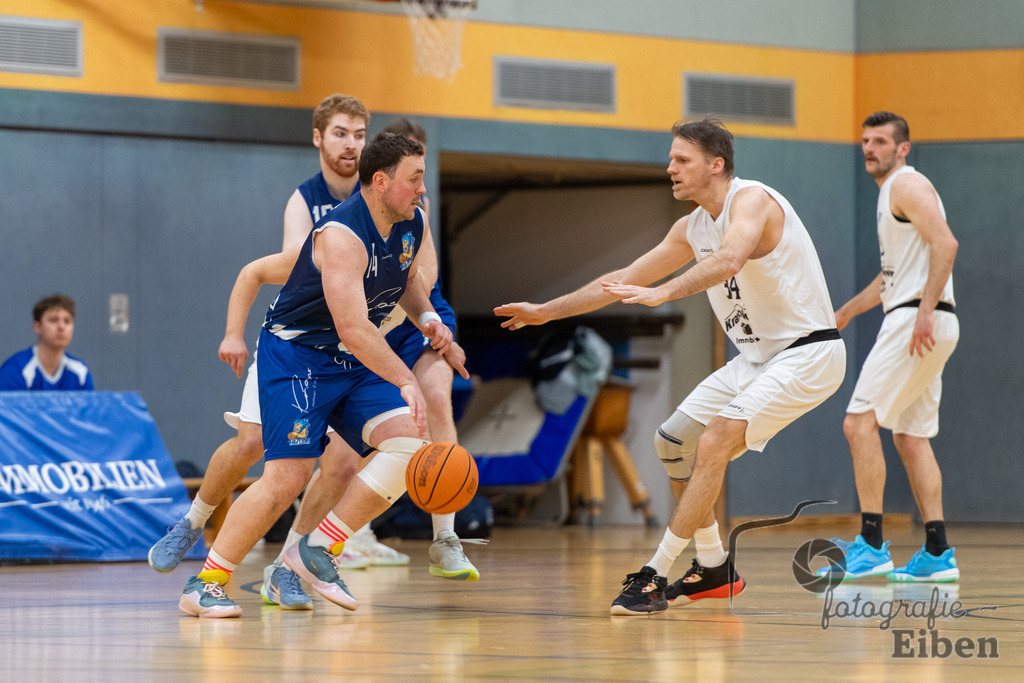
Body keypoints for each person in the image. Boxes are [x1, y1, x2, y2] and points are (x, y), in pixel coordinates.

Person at [495, 118, 846, 616]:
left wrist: (664, 292)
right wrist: (546, 310)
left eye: (682, 159)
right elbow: (621, 279)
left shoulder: (753, 202)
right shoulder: (690, 227)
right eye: (671, 159)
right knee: (674, 441)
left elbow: (727, 261)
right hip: (757, 359)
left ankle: (654, 575)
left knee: (715, 439)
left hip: (809, 353)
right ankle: (713, 566)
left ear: (715, 164)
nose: (670, 168)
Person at [178, 131, 467, 618]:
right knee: (286, 477)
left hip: (348, 360)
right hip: (297, 356)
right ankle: (205, 583)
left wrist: (432, 323)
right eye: (414, 179)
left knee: (411, 445)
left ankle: (319, 549)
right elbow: (355, 330)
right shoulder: (340, 237)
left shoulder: (411, 220)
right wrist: (406, 378)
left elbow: (408, 283)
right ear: (380, 182)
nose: (423, 190)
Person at [821, 112, 960, 583]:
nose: (869, 147)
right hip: (926, 318)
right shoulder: (892, 194)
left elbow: (946, 243)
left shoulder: (905, 184)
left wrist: (924, 310)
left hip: (917, 320)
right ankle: (938, 552)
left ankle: (873, 544)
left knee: (858, 423)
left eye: (880, 141)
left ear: (903, 148)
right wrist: (846, 312)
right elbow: (891, 278)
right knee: (910, 436)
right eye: (864, 140)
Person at [0, 294, 93, 391]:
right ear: (37, 327)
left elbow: (89, 406)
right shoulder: (16, 369)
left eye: (67, 321)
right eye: (54, 320)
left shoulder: (80, 372)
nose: (61, 327)